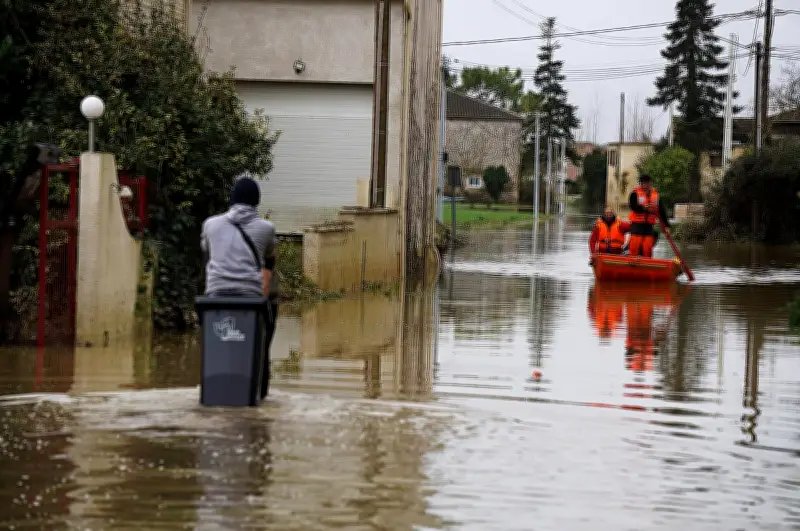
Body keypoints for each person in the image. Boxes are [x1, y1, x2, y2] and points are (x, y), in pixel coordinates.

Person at [200, 177, 278, 400]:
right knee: (265, 329)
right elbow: (270, 259)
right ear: (256, 202)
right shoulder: (266, 229)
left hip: (215, 297)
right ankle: (259, 390)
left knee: (215, 343)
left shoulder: (210, 225)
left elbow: (207, 255)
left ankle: (212, 390)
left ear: (232, 199)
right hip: (250, 299)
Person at [627, 174, 669, 258]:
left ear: (650, 183)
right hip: (637, 225)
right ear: (640, 183)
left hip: (649, 226)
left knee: (647, 247)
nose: (644, 185)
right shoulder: (635, 193)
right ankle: (632, 262)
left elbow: (661, 211)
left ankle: (647, 263)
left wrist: (666, 226)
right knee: (634, 246)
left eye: (646, 183)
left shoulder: (656, 195)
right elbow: (632, 206)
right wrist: (643, 208)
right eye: (642, 183)